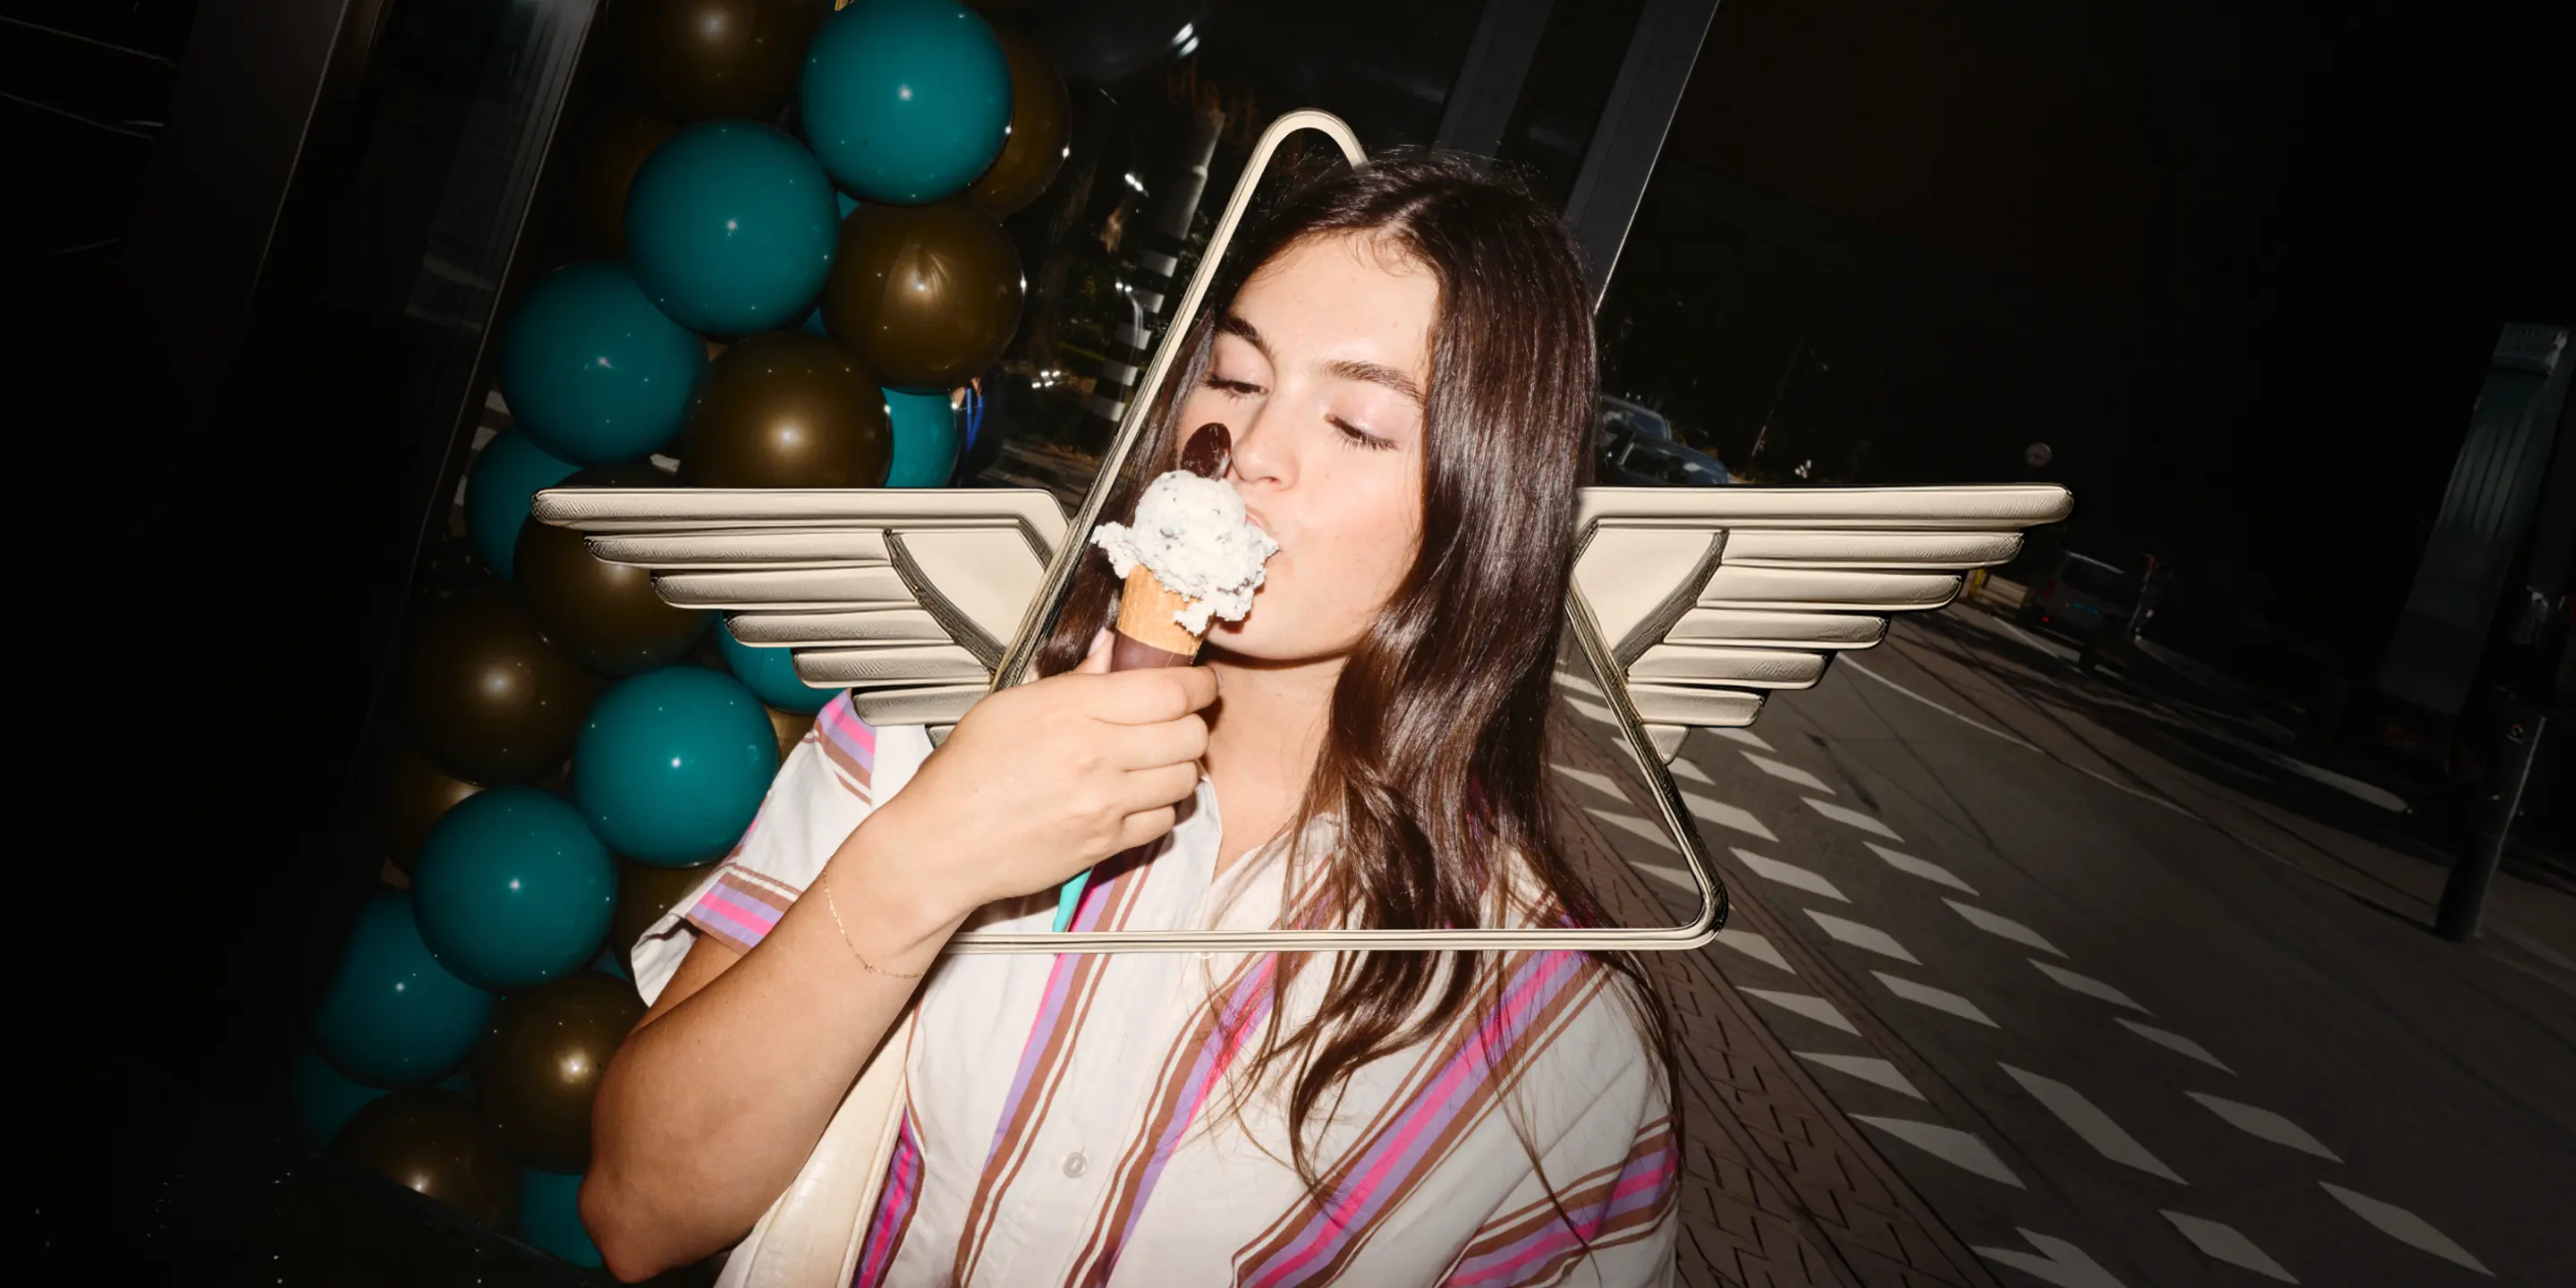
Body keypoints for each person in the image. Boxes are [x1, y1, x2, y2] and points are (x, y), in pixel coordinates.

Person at [580, 152, 1683, 1286]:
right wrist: (920, 862)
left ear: (1489, 505)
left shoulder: (1556, 1034)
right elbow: (640, 1207)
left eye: (1357, 423)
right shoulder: (933, 728)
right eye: (1236, 379)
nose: (1253, 450)